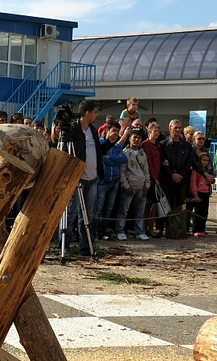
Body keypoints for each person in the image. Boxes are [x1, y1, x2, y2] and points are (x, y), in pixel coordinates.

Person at [59, 100, 117, 257]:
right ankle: (64, 246)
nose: (97, 115)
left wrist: (111, 143)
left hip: (92, 178)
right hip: (77, 177)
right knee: (70, 213)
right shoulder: (73, 130)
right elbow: (64, 152)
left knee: (87, 215)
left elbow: (97, 152)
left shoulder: (92, 130)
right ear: (88, 113)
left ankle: (86, 247)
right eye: (95, 112)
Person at [160, 119, 211, 214]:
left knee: (181, 206)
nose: (178, 130)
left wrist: (205, 174)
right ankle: (161, 228)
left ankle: (180, 228)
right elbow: (163, 162)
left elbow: (191, 163)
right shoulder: (163, 144)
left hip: (182, 181)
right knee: (165, 206)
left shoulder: (187, 146)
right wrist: (172, 174)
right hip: (167, 180)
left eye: (179, 128)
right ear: (170, 128)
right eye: (175, 127)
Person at [94, 121, 126, 240]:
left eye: (117, 132)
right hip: (103, 181)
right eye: (113, 131)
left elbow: (123, 159)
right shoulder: (100, 144)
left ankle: (102, 232)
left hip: (115, 181)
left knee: (108, 209)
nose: (115, 134)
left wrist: (111, 158)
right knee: (98, 208)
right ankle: (94, 233)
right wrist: (114, 159)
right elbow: (102, 160)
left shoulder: (117, 146)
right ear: (107, 131)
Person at [117, 131, 150, 241]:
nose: (136, 140)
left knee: (139, 212)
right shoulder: (124, 153)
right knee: (123, 211)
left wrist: (147, 185)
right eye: (134, 137)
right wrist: (126, 186)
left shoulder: (143, 154)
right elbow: (122, 172)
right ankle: (120, 230)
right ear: (130, 139)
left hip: (141, 185)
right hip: (129, 185)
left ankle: (139, 231)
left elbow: (146, 170)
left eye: (139, 138)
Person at [142, 123, 163, 237]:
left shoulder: (157, 146)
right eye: (154, 131)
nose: (156, 133)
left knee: (154, 204)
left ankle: (150, 227)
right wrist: (154, 178)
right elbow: (148, 162)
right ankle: (145, 227)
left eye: (158, 131)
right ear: (149, 132)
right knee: (148, 204)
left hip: (157, 177)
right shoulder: (146, 144)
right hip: (150, 178)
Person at [190, 152, 213, 237]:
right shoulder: (196, 170)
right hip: (198, 192)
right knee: (198, 212)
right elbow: (193, 182)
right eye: (204, 160)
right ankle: (196, 229)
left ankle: (202, 229)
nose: (205, 162)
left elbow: (212, 181)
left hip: (206, 192)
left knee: (204, 212)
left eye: (207, 160)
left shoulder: (208, 170)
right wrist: (195, 194)